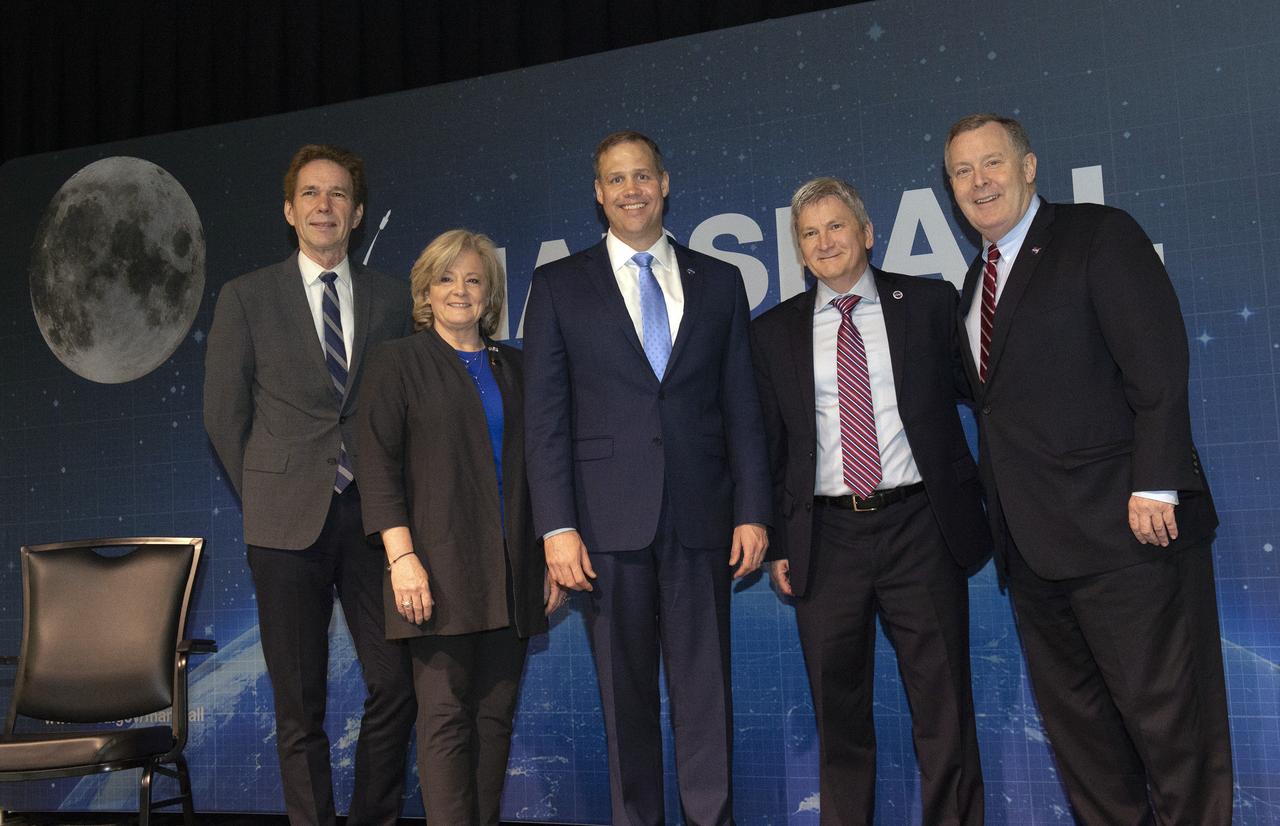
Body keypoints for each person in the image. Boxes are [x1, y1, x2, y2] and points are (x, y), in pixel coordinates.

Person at [943, 112, 1233, 824]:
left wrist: (1155, 482)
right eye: (962, 171)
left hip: (1129, 535)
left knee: (1173, 734)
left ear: (1029, 166)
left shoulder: (1098, 236)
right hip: (1035, 555)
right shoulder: (974, 282)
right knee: (1087, 747)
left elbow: (1158, 365)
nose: (979, 182)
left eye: (993, 163)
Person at [522, 130, 772, 825]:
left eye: (643, 176)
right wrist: (557, 526)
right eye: (616, 179)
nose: (631, 190)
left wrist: (753, 509)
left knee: (704, 697)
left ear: (665, 184)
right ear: (599, 194)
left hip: (702, 518)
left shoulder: (719, 280)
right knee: (623, 700)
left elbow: (742, 407)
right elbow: (545, 417)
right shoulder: (558, 284)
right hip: (603, 527)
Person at [751, 177, 988, 825]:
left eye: (835, 227)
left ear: (866, 232)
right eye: (809, 233)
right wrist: (776, 538)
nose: (824, 242)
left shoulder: (931, 303)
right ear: (798, 250)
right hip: (826, 541)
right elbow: (767, 447)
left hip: (922, 527)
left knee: (943, 709)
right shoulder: (770, 334)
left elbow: (989, 399)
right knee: (839, 713)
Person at [203, 144, 415, 826]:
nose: (326, 205)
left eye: (339, 195)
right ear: (290, 210)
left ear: (357, 214)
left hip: (376, 518)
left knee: (396, 683)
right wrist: (266, 491)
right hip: (284, 526)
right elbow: (223, 415)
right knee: (300, 703)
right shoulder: (246, 296)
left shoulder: (390, 297)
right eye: (312, 194)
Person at [355, 228, 559, 826]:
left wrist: (547, 554)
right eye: (446, 278)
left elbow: (542, 466)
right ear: (425, 289)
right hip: (435, 570)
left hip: (512, 569)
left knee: (494, 721)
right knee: (444, 720)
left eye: (473, 279)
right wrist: (402, 559)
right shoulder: (397, 362)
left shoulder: (517, 367)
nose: (460, 290)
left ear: (490, 291)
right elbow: (377, 466)